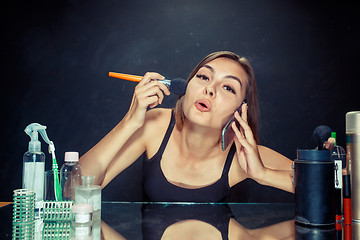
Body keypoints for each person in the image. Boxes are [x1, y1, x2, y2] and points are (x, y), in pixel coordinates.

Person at [79, 51, 294, 202]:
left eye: (228, 87)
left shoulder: (245, 155)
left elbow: (324, 190)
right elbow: (73, 190)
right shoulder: (154, 125)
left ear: (241, 110)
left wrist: (263, 174)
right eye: (203, 77)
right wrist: (130, 122)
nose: (210, 89)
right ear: (187, 87)